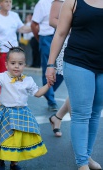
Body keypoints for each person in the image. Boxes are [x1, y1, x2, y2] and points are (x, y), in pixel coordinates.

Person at [46, 0, 103, 169]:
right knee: (82, 113)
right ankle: (82, 163)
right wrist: (51, 64)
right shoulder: (73, 1)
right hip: (78, 62)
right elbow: (60, 33)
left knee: (95, 113)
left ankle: (86, 155)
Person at [0, 46, 49, 170]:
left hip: (22, 113)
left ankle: (14, 163)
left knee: (17, 139)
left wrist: (48, 84)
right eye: (13, 63)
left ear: (24, 65)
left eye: (20, 63)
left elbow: (38, 93)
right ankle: (0, 160)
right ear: (6, 64)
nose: (16, 66)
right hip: (5, 113)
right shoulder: (2, 77)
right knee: (4, 138)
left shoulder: (28, 80)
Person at [0, 0, 31, 95]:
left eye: (10, 1)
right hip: (0, 52)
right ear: (0, 3)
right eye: (6, 1)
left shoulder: (14, 16)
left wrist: (36, 26)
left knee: (14, 77)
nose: (9, 3)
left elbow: (22, 29)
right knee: (3, 78)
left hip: (14, 52)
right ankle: (2, 103)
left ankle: (10, 102)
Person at [31, 0, 64, 112]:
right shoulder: (42, 3)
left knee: (62, 69)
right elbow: (34, 24)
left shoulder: (64, 1)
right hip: (46, 37)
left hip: (62, 37)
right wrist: (40, 40)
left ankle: (47, 91)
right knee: (48, 68)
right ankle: (51, 101)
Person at [48, 0, 71, 137]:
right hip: (68, 43)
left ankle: (57, 117)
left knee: (77, 90)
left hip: (87, 44)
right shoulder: (60, 0)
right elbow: (52, 20)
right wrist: (74, 27)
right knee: (76, 88)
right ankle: (79, 135)